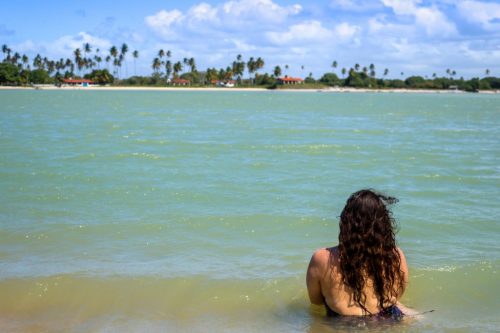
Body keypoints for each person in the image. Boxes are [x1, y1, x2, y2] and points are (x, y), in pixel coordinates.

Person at [306, 189, 411, 319]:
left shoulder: (321, 258)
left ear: (345, 222)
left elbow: (316, 302)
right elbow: (398, 293)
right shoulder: (396, 255)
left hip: (344, 323)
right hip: (388, 318)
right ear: (383, 225)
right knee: (401, 307)